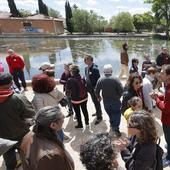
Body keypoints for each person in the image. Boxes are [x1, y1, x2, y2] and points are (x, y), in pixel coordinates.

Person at [20, 106, 75, 170]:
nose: (64, 118)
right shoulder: (51, 155)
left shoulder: (28, 135)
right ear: (53, 125)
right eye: (62, 119)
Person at [0, 72, 35, 170]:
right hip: (21, 134)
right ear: (11, 83)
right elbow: (31, 113)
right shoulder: (18, 98)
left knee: (9, 160)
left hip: (3, 137)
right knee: (26, 155)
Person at [32, 74, 66, 142]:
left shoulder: (38, 98)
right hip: (57, 119)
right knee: (60, 138)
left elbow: (40, 113)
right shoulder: (54, 91)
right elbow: (61, 97)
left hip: (48, 125)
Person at [95, 64, 123, 136]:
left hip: (106, 102)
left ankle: (112, 125)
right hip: (115, 101)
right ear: (111, 71)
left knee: (110, 113)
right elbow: (121, 90)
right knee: (116, 114)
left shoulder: (100, 79)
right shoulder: (115, 79)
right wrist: (119, 96)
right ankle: (116, 129)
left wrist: (99, 97)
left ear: (104, 71)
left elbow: (96, 90)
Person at [150, 64, 170, 167]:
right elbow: (167, 99)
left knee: (168, 137)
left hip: (168, 121)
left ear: (168, 76)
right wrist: (160, 96)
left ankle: (169, 157)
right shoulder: (167, 86)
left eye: (162, 73)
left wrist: (156, 99)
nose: (159, 75)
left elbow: (166, 109)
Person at [84, 54, 102, 125]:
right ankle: (98, 112)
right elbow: (87, 78)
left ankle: (99, 117)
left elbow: (98, 80)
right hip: (89, 89)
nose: (85, 61)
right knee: (94, 102)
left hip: (95, 89)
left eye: (87, 59)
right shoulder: (86, 68)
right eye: (85, 59)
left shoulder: (95, 69)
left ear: (91, 60)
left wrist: (97, 91)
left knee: (97, 102)